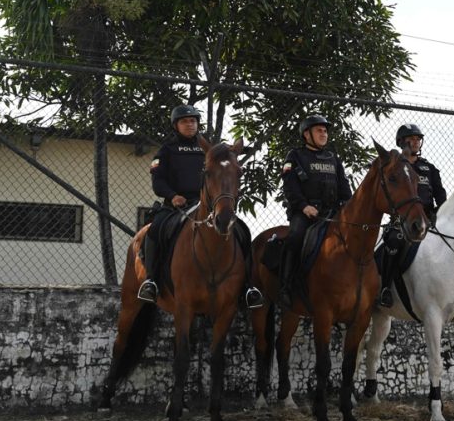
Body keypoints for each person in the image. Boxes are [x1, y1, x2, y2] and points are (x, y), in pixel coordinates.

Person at [138, 104, 263, 308]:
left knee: (242, 231)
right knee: (155, 230)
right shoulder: (167, 150)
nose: (190, 125)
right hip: (177, 205)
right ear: (176, 125)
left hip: (206, 205)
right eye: (185, 121)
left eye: (193, 121)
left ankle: (248, 287)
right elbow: (158, 182)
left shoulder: (210, 151)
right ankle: (151, 280)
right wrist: (173, 195)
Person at [279, 114, 352, 307]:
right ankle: (286, 287)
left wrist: (349, 206)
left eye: (325, 130)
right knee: (295, 236)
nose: (324, 134)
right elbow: (290, 186)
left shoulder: (333, 158)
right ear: (306, 134)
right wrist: (304, 206)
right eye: (319, 130)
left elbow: (344, 187)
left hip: (332, 213)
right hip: (306, 212)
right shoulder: (294, 156)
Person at [378, 123, 447, 308]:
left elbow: (441, 195)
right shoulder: (397, 167)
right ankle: (385, 288)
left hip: (428, 218)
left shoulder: (429, 168)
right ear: (401, 142)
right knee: (393, 241)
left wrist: (439, 213)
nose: (415, 142)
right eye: (411, 139)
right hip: (403, 219)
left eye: (418, 139)